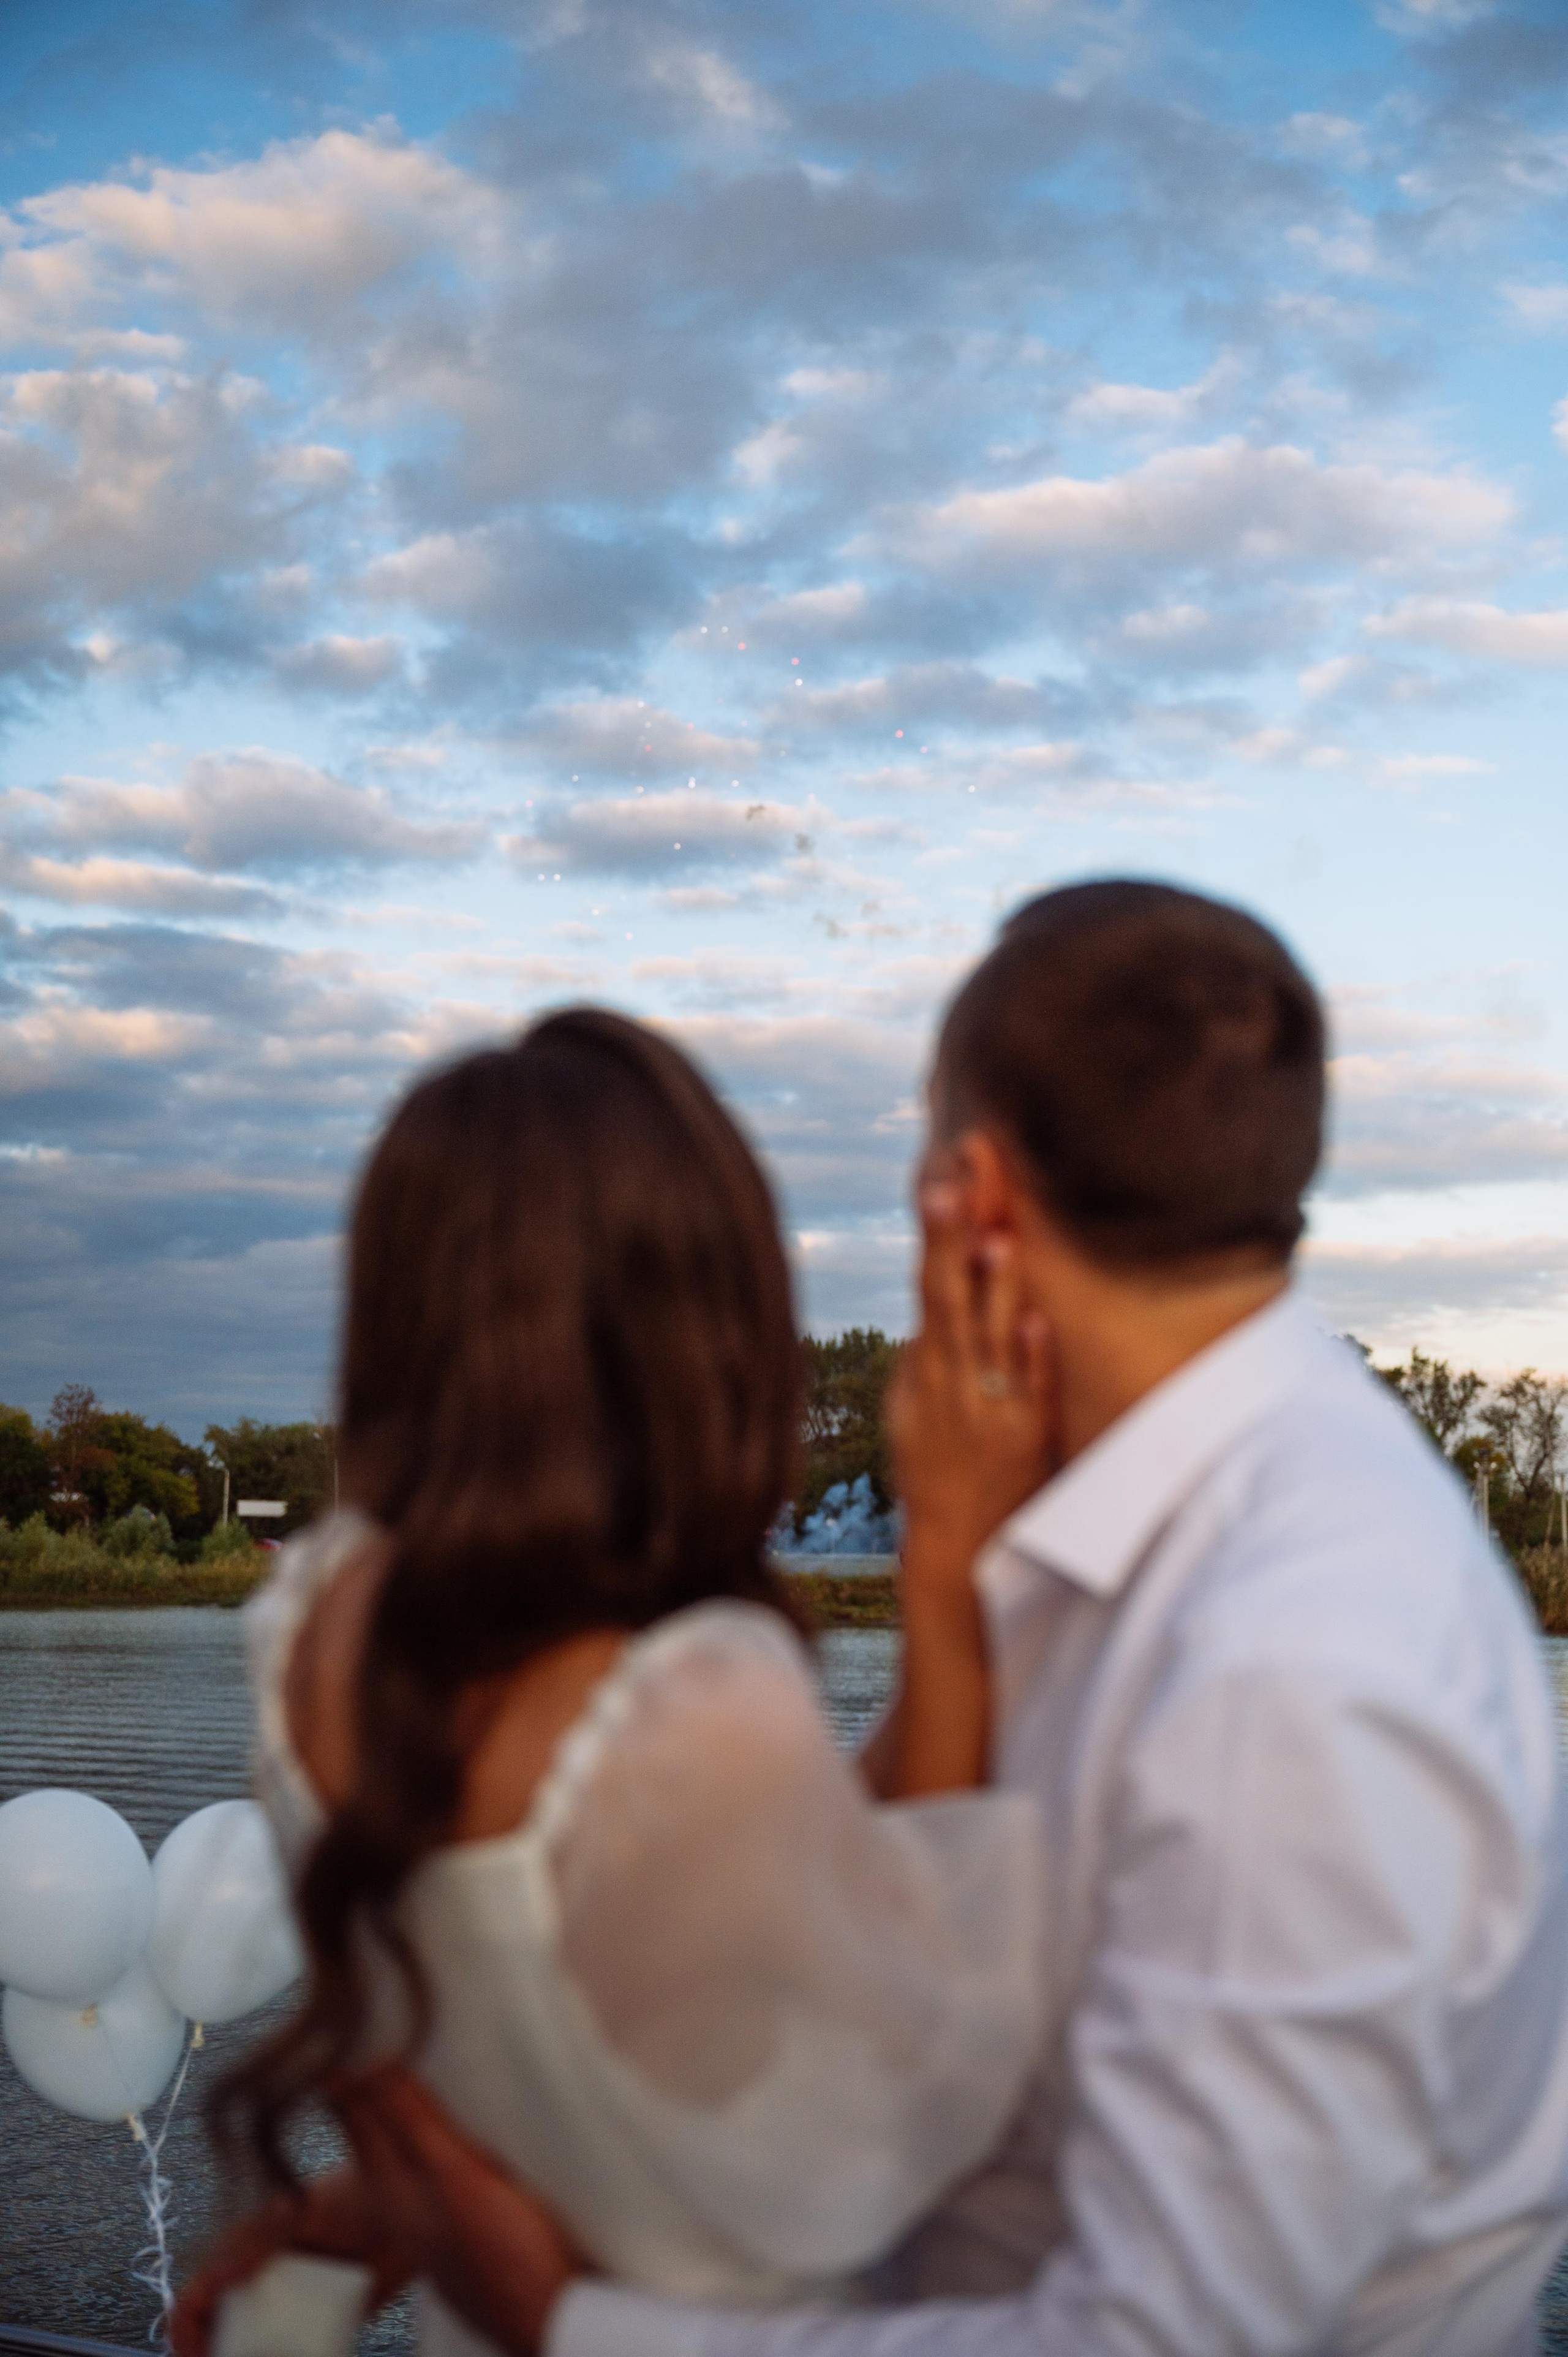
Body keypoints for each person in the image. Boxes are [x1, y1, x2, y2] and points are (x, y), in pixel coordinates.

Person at [181, 878, 1568, 2357]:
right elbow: (743, 1957)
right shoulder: (1100, 1526)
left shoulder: (1289, 1656)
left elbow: (1167, 2338)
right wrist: (505, 2168)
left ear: (967, 1194)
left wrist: (568, 2316)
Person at [179, 1005, 1054, 2357]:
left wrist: (377, 2205)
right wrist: (947, 1574)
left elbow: (583, 2007)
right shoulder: (687, 1706)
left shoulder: (314, 1619)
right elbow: (901, 2104)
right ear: (703, 1321)